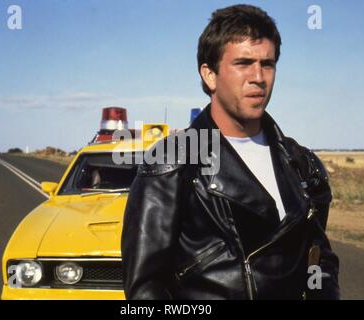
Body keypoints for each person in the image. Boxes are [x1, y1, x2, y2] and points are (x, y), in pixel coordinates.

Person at [121, 4, 339, 300]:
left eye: (267, 64)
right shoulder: (172, 163)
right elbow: (146, 290)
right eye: (243, 63)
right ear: (209, 75)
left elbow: (318, 259)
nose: (258, 77)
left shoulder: (302, 164)